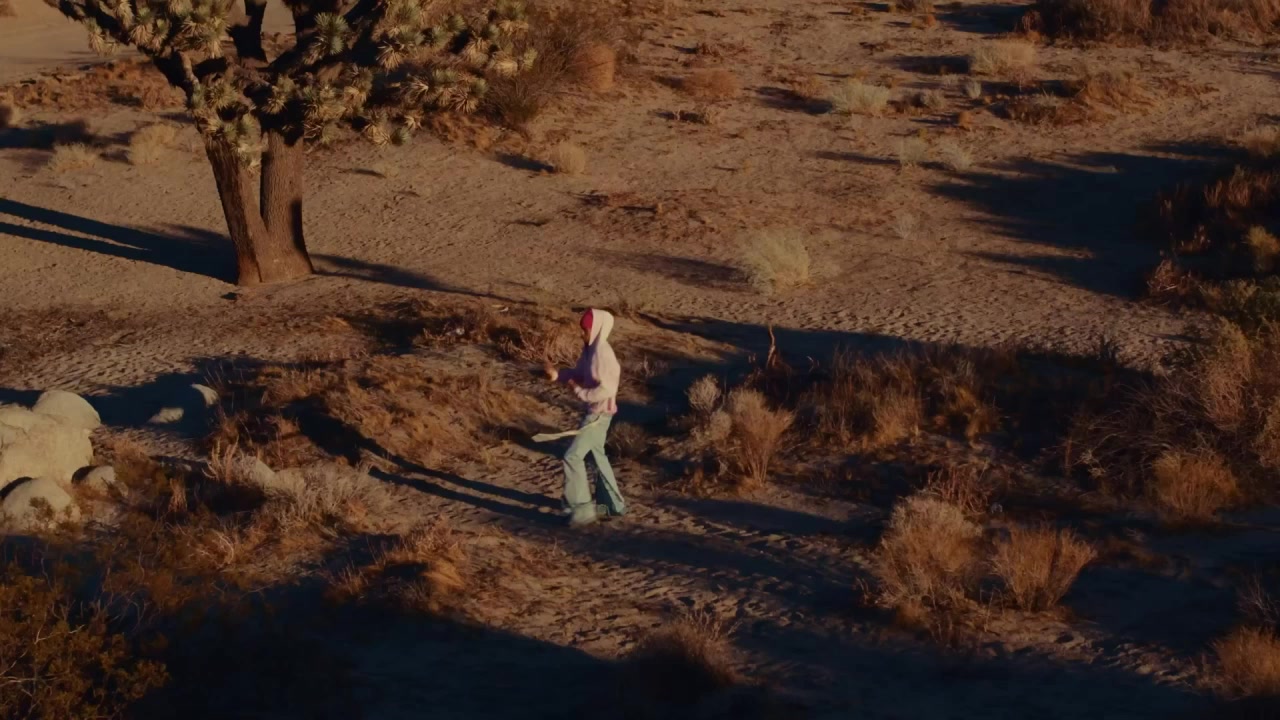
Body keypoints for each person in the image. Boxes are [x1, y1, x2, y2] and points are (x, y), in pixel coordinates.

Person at [544, 308, 626, 527]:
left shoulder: (603, 354)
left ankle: (582, 511)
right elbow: (578, 373)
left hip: (599, 415)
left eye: (586, 329)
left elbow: (607, 389)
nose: (583, 334)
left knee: (572, 456)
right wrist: (558, 375)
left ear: (597, 328)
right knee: (598, 457)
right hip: (598, 413)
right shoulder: (590, 351)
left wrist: (581, 393)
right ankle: (612, 505)